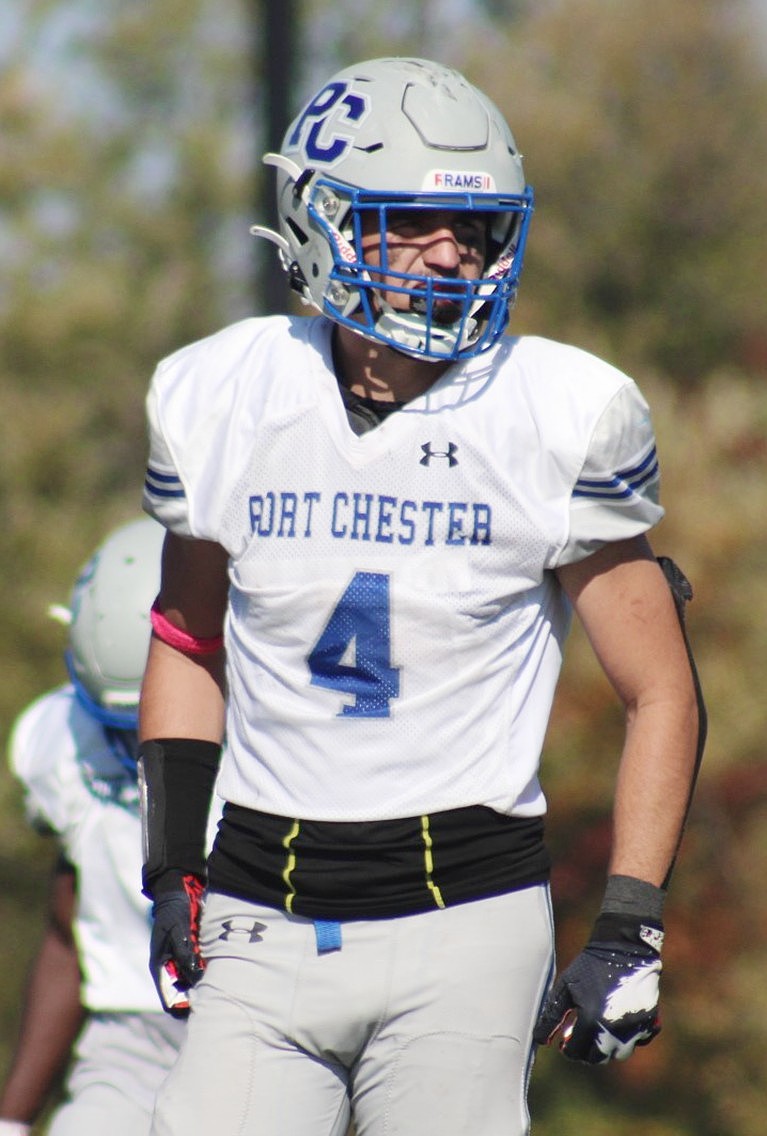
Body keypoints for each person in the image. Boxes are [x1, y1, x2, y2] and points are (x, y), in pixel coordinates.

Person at [138, 57, 704, 1136]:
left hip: (464, 918)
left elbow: (659, 690)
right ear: (321, 219)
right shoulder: (225, 393)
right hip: (259, 906)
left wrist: (629, 923)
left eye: (474, 227)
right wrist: (171, 867)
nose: (452, 253)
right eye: (413, 221)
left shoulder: (556, 410)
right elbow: (185, 635)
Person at [0, 517, 187, 1136]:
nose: (140, 746)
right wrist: (14, 1119)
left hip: (259, 1027)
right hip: (127, 1042)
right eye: (118, 728)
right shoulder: (58, 743)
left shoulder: (276, 744)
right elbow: (69, 925)